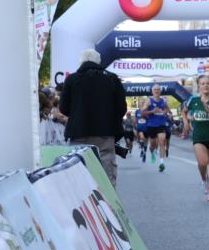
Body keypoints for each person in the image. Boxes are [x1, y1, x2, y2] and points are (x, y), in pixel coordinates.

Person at [59, 49, 126, 187]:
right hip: (105, 135)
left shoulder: (71, 79)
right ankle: (108, 205)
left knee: (79, 173)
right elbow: (122, 109)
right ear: (98, 62)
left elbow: (64, 109)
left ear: (81, 62)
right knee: (107, 177)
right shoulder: (112, 79)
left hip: (78, 134)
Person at [182, 75, 209, 201]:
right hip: (199, 137)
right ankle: (204, 180)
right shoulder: (193, 99)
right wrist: (186, 122)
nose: (205, 85)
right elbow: (184, 112)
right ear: (199, 86)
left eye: (208, 83)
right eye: (203, 83)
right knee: (202, 162)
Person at [140, 85, 171, 172]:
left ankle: (161, 163)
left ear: (160, 91)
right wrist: (152, 111)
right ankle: (152, 152)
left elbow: (167, 109)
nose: (157, 91)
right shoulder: (149, 101)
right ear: (152, 91)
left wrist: (165, 111)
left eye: (158, 89)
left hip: (161, 124)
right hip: (151, 125)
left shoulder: (163, 100)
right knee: (153, 144)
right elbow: (142, 112)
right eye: (155, 90)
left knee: (162, 141)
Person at [135, 98, 149, 162]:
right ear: (139, 104)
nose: (142, 103)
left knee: (146, 143)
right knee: (142, 138)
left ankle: (144, 153)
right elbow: (136, 120)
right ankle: (142, 147)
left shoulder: (147, 111)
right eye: (141, 102)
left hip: (147, 128)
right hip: (140, 128)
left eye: (143, 102)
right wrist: (135, 126)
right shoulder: (137, 111)